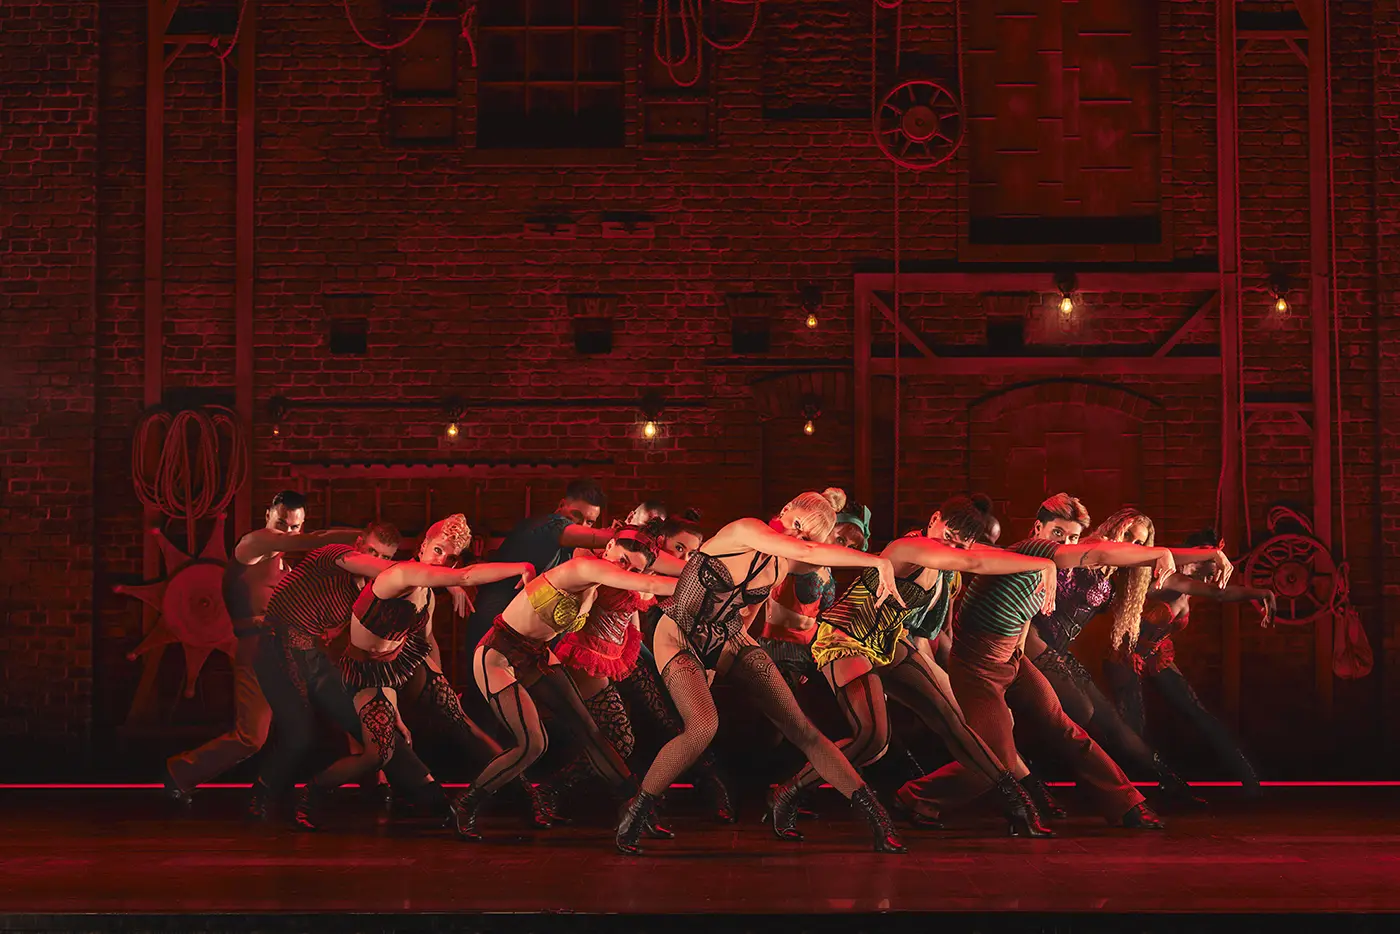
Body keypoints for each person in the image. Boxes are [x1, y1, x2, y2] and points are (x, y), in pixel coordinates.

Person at [616, 489, 909, 856]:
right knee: (704, 726)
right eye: (798, 525)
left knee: (801, 728)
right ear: (785, 510)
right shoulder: (745, 529)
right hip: (677, 632)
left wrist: (734, 655)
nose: (798, 537)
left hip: (727, 637)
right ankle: (636, 811)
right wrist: (878, 562)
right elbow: (807, 553)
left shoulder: (782, 562)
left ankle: (878, 820)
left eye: (809, 536)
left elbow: (761, 601)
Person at [774, 493, 1056, 839]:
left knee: (952, 719)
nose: (949, 542)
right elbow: (976, 564)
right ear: (934, 518)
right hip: (846, 637)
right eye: (946, 532)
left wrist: (1045, 561)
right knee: (873, 738)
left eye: (959, 540)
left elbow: (985, 557)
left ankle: (1019, 806)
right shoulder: (911, 548)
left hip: (887, 642)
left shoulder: (948, 562)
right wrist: (1040, 564)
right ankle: (789, 793)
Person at [896, 493, 1177, 830]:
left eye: (1072, 537)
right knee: (995, 759)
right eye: (1057, 533)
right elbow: (1099, 551)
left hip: (1012, 659)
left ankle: (1128, 803)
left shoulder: (1050, 567)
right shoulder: (1032, 550)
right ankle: (915, 796)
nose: (1065, 543)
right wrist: (1163, 552)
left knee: (1064, 727)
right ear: (1038, 528)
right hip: (978, 668)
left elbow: (1029, 612)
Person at [460, 539, 680, 841]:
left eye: (632, 567)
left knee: (589, 729)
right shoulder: (584, 566)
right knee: (533, 744)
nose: (623, 568)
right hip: (498, 653)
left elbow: (645, 582)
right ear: (610, 545)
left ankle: (636, 806)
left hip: (536, 654)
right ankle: (465, 805)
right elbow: (645, 581)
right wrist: (701, 581)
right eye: (623, 559)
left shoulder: (596, 582)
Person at [163, 491, 361, 811]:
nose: (287, 532)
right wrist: (366, 537)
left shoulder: (281, 564)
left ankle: (271, 790)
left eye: (294, 527)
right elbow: (315, 540)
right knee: (250, 737)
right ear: (268, 514)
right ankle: (180, 773)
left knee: (320, 719)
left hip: (285, 651)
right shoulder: (253, 544)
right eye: (281, 523)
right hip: (257, 650)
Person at [1024, 507, 1235, 803]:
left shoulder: (1119, 577)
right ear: (1113, 529)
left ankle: (1171, 783)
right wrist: (1208, 554)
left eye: (1140, 544)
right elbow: (1118, 553)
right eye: (1127, 537)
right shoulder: (1086, 549)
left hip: (1058, 651)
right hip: (1029, 644)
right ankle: (1034, 782)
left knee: (1112, 721)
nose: (1132, 548)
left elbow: (1175, 577)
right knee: (1079, 712)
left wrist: (1207, 559)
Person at [1104, 527, 1276, 795]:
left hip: (1157, 653)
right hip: (1126, 655)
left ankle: (1248, 777)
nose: (1208, 569)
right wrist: (1260, 593)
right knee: (1132, 723)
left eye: (1211, 563)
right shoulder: (1168, 579)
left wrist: (1260, 593)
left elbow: (1219, 593)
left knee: (1197, 712)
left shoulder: (1190, 588)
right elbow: (1219, 594)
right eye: (1202, 561)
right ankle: (1131, 790)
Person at [462, 480, 617, 653]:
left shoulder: (572, 548)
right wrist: (626, 533)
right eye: (576, 516)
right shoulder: (547, 525)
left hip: (525, 633)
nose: (581, 526)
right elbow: (599, 539)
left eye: (589, 522)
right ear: (562, 505)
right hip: (494, 627)